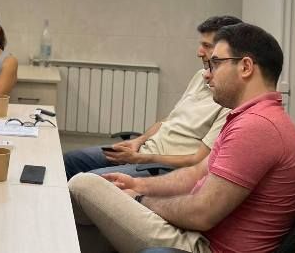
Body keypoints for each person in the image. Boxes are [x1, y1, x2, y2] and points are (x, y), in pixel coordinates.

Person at [68, 23, 295, 253]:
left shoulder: (257, 127)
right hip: (197, 236)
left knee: (82, 185)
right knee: (92, 204)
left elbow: (201, 214)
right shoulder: (251, 117)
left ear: (246, 67)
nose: (207, 74)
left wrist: (141, 200)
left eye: (216, 63)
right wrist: (138, 185)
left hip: (203, 247)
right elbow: (196, 173)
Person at [64, 15, 242, 180]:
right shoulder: (200, 76)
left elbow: (199, 161)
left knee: (85, 182)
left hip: (162, 168)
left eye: (207, 46)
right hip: (145, 151)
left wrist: (140, 159)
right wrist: (137, 141)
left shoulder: (230, 101)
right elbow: (169, 120)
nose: (199, 52)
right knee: (70, 161)